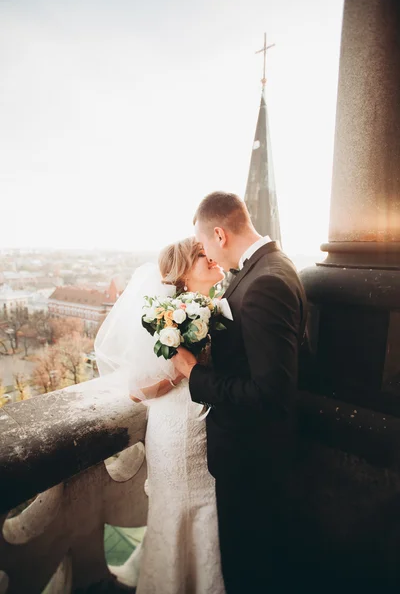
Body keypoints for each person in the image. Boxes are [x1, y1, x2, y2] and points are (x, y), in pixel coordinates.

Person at [172, 192, 308, 593]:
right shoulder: (276, 265)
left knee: (249, 568)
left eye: (205, 243)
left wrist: (196, 375)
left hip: (252, 458)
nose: (209, 253)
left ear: (219, 234)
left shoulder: (264, 282)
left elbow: (269, 392)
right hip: (261, 454)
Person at [95, 237, 226, 594]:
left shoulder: (217, 307)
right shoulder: (167, 316)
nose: (211, 257)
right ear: (182, 273)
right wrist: (179, 371)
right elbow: (136, 390)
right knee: (181, 505)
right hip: (177, 428)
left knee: (209, 508)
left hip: (211, 426)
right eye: (202, 255)